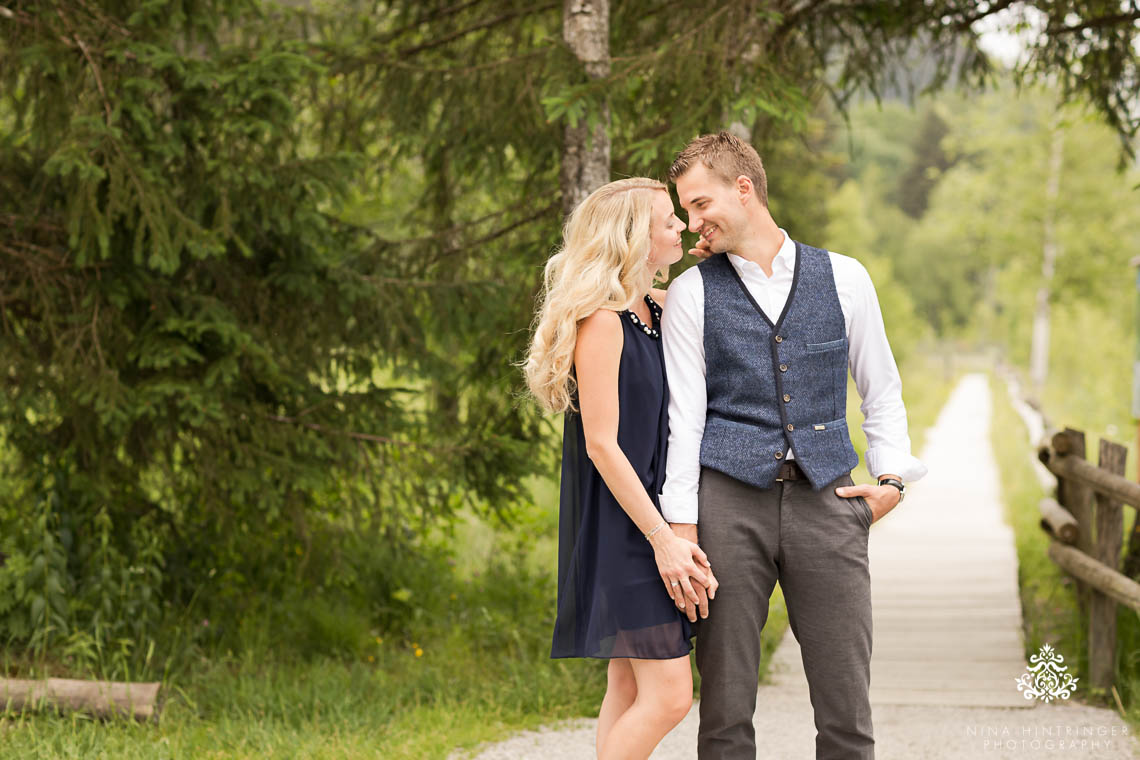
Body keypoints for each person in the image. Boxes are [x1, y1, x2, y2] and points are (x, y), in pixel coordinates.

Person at [659, 132, 928, 760]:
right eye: (687, 211)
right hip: (727, 505)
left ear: (743, 188)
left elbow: (881, 389)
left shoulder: (845, 277)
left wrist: (891, 484)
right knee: (724, 708)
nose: (693, 223)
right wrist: (683, 528)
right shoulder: (695, 292)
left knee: (845, 706)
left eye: (700, 205)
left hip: (828, 500)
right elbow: (685, 420)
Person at [524, 177, 718, 759]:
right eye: (668, 220)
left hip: (652, 518)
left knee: (628, 685)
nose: (681, 226)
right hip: (629, 528)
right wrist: (662, 538)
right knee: (669, 698)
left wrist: (718, 257)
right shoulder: (602, 320)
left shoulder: (657, 308)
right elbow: (602, 445)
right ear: (633, 236)